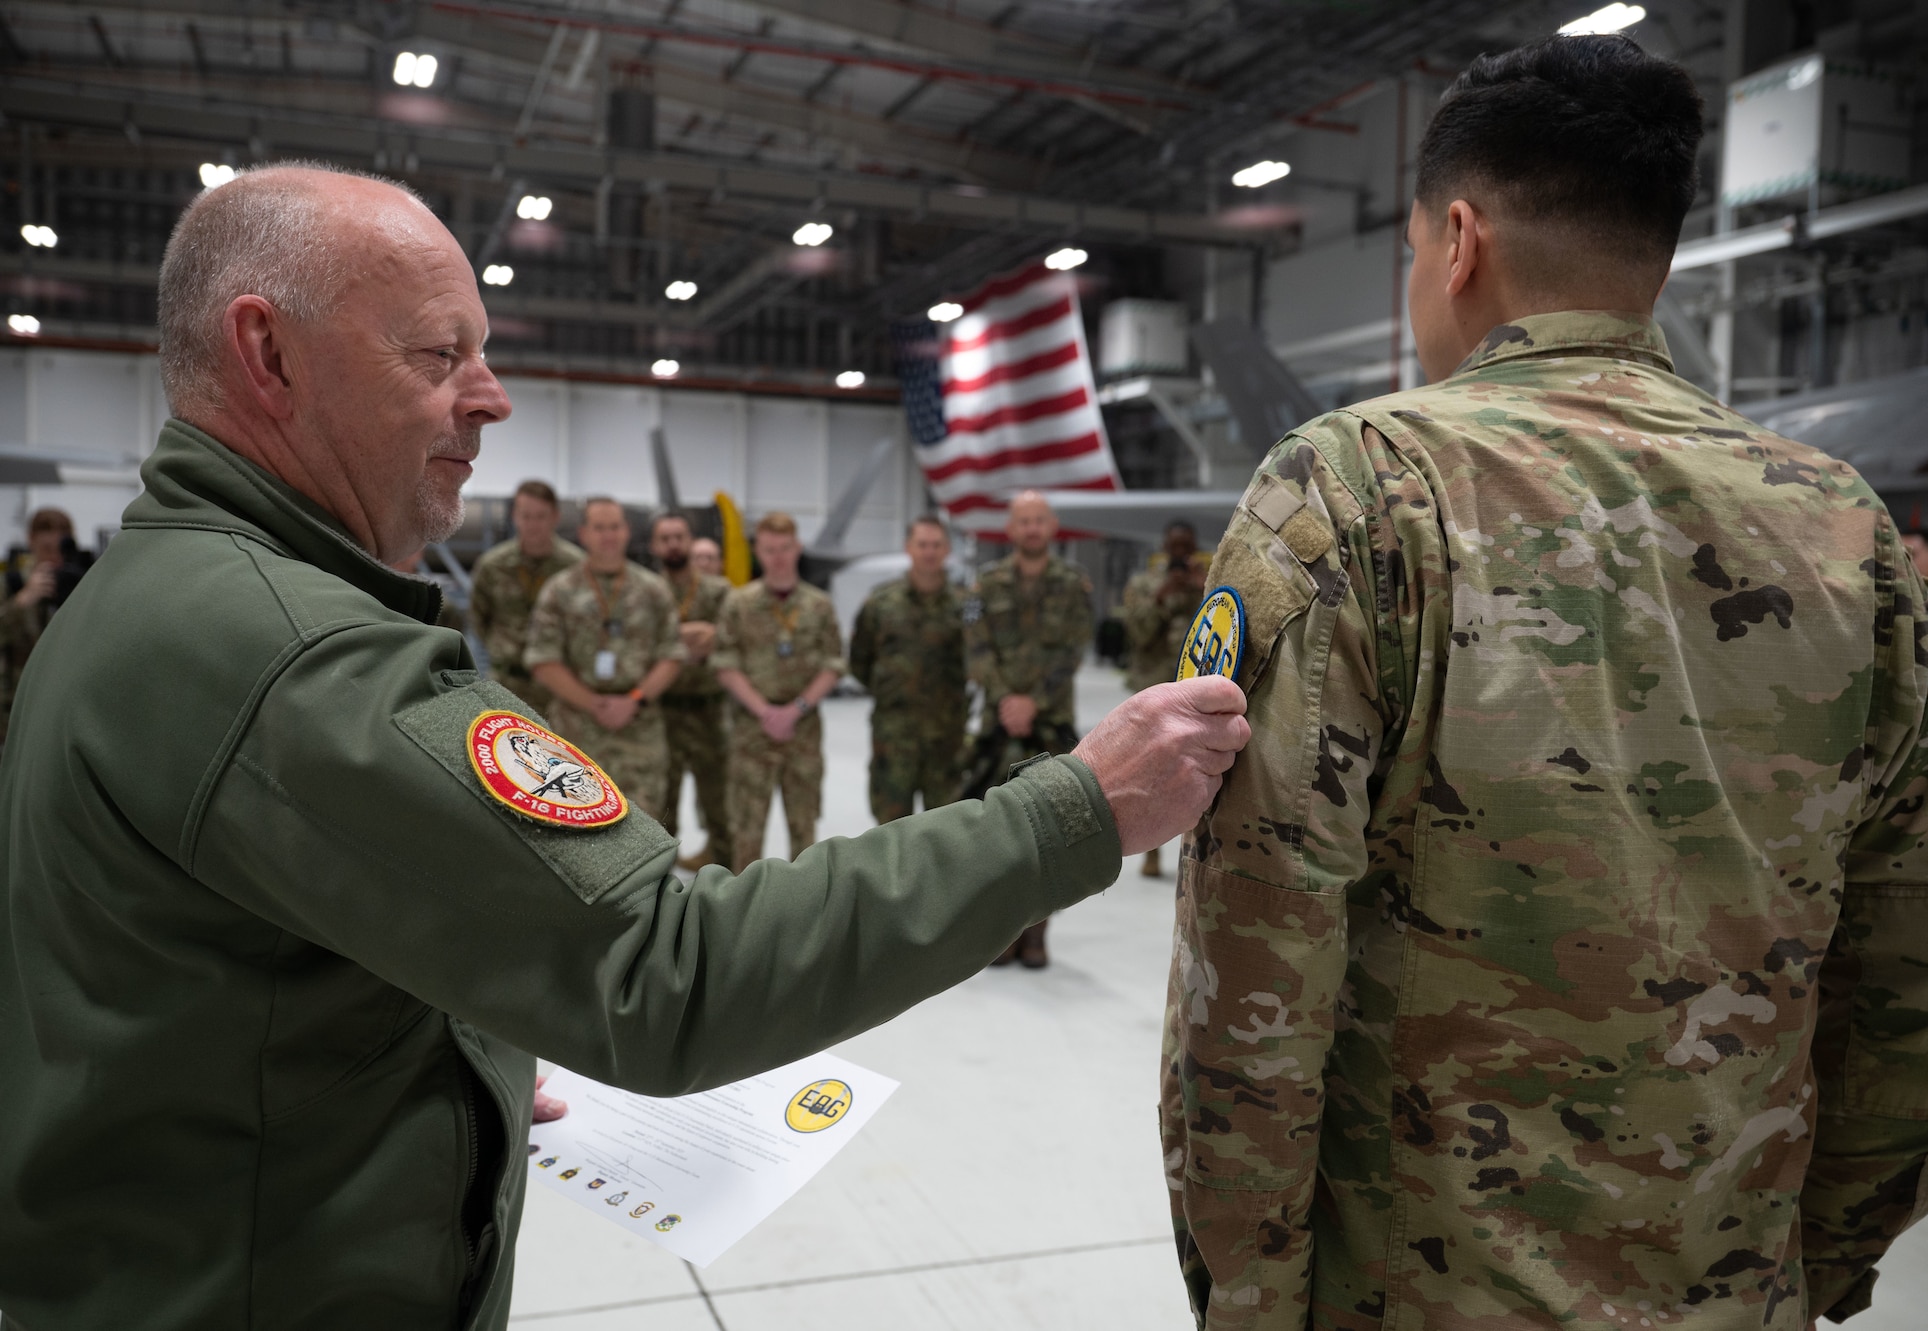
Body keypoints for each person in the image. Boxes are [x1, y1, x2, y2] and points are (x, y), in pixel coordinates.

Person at [0, 163, 1252, 1329]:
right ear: (267, 351)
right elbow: (673, 966)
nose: (489, 397)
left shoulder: (151, 592)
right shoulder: (293, 657)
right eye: (441, 354)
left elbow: (233, 975)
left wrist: (455, 1060)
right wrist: (1076, 806)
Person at [1160, 37, 1928, 1331]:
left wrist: (1252, 1294)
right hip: (1734, 1281)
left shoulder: (1356, 486)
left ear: (1457, 237)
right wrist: (1821, 1254)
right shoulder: (1844, 526)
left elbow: (1257, 958)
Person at [966, 489, 1096, 968]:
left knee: (1050, 831)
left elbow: (1074, 651)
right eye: (1024, 520)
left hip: (1050, 724)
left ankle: (1038, 933)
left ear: (1053, 526)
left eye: (1040, 519)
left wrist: (1032, 702)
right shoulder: (984, 587)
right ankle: (1002, 932)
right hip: (998, 728)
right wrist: (1006, 700)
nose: (1032, 528)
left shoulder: (1073, 584)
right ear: (1010, 528)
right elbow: (977, 650)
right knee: (998, 834)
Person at [523, 498, 683, 820]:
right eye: (599, 527)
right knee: (571, 821)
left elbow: (672, 655)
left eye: (615, 527)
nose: (608, 535)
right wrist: (593, 703)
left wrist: (634, 701)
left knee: (645, 826)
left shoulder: (654, 590)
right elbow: (543, 660)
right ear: (583, 533)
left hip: (639, 729)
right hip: (576, 729)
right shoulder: (560, 590)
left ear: (626, 532)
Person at [713, 511, 844, 869]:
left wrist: (795, 710)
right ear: (758, 550)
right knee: (746, 828)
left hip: (802, 728)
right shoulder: (738, 604)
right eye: (770, 549)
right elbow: (725, 664)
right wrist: (765, 712)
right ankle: (741, 915)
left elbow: (833, 664)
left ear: (797, 547)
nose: (778, 557)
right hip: (752, 729)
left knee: (804, 828)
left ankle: (801, 911)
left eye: (785, 548)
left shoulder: (818, 605)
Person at [849, 515, 969, 824]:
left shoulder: (967, 605)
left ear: (947, 550)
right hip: (894, 737)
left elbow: (980, 656)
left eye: (936, 545)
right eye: (922, 544)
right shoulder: (881, 602)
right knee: (890, 832)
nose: (929, 552)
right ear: (909, 548)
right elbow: (859, 661)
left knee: (948, 829)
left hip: (947, 738)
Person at [1120, 519, 1209, 877]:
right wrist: (1161, 595)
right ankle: (1151, 849)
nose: (1180, 554)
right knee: (1152, 772)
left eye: (1186, 547)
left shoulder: (1208, 584)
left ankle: (1197, 849)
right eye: (1174, 547)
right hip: (1153, 691)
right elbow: (1137, 634)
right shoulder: (1144, 585)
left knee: (1199, 772)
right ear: (1163, 547)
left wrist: (1204, 589)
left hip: (1196, 691)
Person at [650, 511, 733, 870]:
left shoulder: (719, 591)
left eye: (679, 536)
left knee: (719, 800)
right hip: (661, 709)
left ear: (690, 540)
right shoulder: (647, 591)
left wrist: (672, 643)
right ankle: (659, 880)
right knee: (661, 802)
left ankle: (727, 875)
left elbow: (727, 639)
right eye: (665, 538)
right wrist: (690, 638)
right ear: (655, 546)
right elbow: (642, 646)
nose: (673, 544)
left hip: (710, 711)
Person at [469, 479, 582, 714]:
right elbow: (479, 618)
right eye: (525, 515)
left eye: (540, 516)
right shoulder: (493, 565)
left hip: (560, 689)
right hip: (506, 683)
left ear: (555, 517)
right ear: (514, 516)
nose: (532, 524)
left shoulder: (576, 567)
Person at [0, 507, 82, 749]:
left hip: (60, 709)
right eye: (47, 549)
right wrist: (23, 600)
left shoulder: (78, 583)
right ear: (31, 541)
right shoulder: (10, 583)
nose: (54, 557)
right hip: (14, 709)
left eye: (61, 549)